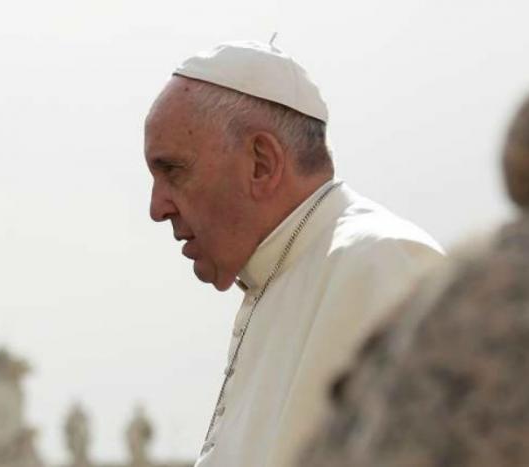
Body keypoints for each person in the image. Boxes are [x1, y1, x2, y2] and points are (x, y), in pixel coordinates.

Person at [143, 40, 445, 467]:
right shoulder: (279, 276)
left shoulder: (383, 264)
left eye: (172, 170)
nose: (157, 207)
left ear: (262, 163)